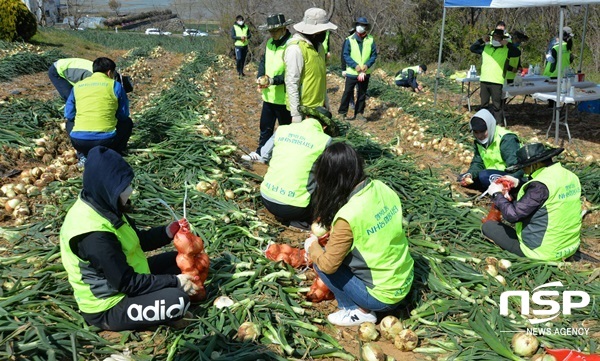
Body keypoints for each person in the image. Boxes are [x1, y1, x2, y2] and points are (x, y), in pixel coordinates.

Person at [59, 146, 201, 331]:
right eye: (124, 187)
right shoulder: (94, 236)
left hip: (128, 275)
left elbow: (136, 239)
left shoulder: (103, 205)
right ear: (108, 188)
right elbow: (126, 283)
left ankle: (167, 295)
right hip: (110, 305)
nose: (130, 190)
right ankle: (161, 312)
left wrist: (168, 231)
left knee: (182, 261)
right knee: (177, 301)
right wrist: (176, 281)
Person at [304, 142, 414, 326]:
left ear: (333, 179)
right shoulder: (381, 187)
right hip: (404, 281)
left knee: (322, 264)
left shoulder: (348, 216)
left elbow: (329, 265)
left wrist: (312, 246)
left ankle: (356, 311)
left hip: (382, 298)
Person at [482, 143, 581, 261]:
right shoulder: (570, 176)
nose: (524, 171)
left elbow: (513, 216)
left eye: (525, 167)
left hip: (543, 254)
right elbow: (545, 194)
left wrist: (496, 194)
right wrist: (518, 183)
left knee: (488, 227)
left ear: (535, 165)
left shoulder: (540, 186)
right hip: (569, 247)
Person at [260, 106, 335, 230]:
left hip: (267, 198)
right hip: (296, 209)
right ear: (324, 127)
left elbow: (263, 155)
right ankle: (301, 223)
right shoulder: (325, 140)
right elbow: (327, 175)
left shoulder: (282, 129)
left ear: (306, 117)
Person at [242, 14, 293, 163]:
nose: (272, 34)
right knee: (265, 127)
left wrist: (273, 80)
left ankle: (284, 158)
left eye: (275, 31)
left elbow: (292, 73)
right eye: (271, 31)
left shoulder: (291, 45)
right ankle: (260, 153)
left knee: (285, 129)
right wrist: (260, 76)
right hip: (269, 95)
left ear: (284, 28)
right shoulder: (270, 43)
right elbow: (264, 61)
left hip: (284, 98)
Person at [65, 57, 133, 166]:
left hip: (79, 142)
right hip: (106, 141)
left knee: (69, 123)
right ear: (110, 72)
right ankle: (115, 153)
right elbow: (123, 115)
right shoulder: (115, 85)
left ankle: (82, 155)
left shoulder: (77, 86)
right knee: (127, 122)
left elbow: (69, 114)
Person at [285, 8, 338, 123]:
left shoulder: (319, 47)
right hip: (304, 110)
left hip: (318, 107)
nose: (324, 34)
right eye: (322, 31)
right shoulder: (296, 49)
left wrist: (326, 102)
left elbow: (320, 78)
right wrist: (296, 113)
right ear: (314, 32)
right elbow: (292, 82)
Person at [458, 109, 523, 191]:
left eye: (482, 131)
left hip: (510, 176)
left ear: (490, 127)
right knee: (462, 179)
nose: (479, 136)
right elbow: (478, 163)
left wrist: (508, 181)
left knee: (484, 176)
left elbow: (516, 167)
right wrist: (470, 174)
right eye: (476, 132)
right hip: (491, 175)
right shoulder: (479, 142)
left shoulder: (506, 139)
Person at [470, 29, 521, 124]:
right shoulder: (486, 48)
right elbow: (472, 48)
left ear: (502, 39)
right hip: (484, 80)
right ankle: (483, 124)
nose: (496, 39)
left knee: (497, 106)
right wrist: (481, 40)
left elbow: (518, 53)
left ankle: (498, 125)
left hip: (497, 81)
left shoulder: (506, 50)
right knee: (484, 105)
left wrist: (508, 44)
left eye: (498, 38)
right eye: (494, 37)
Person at [338, 17, 377, 122]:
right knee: (347, 92)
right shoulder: (349, 40)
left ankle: (359, 113)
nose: (361, 27)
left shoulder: (371, 40)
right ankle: (342, 113)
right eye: (359, 25)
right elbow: (346, 55)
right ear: (356, 26)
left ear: (366, 27)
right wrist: (355, 66)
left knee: (362, 93)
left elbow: (373, 55)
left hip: (365, 72)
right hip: (352, 72)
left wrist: (367, 65)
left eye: (363, 25)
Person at [49, 58, 133, 102]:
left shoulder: (107, 73)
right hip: (58, 70)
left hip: (70, 68)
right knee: (72, 98)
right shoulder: (93, 77)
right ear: (109, 73)